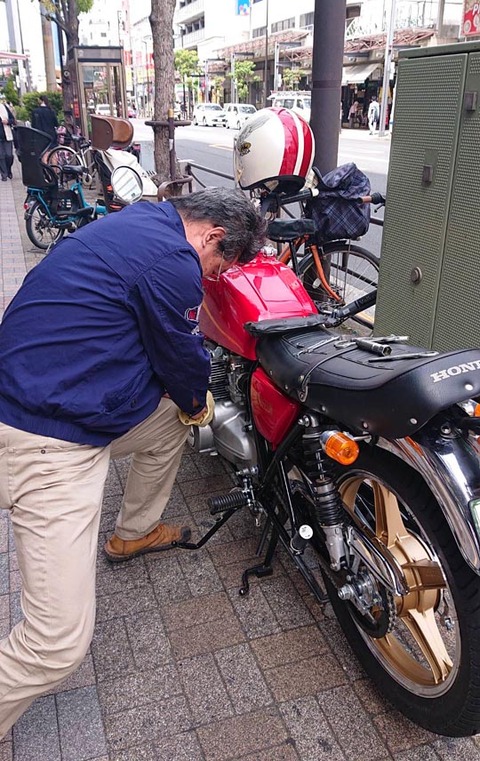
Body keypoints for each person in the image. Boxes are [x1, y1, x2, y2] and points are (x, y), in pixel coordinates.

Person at [0, 188, 266, 736]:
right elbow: (182, 358)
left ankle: (133, 532)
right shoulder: (174, 260)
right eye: (219, 266)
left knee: (170, 423)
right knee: (55, 645)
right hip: (47, 438)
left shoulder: (140, 220)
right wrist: (198, 403)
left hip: (34, 386)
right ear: (213, 236)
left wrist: (180, 407)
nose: (214, 276)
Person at [0, 94, 16, 181]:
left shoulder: (4, 107)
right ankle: (4, 174)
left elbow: (13, 120)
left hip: (7, 135)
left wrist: (8, 121)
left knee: (9, 155)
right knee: (1, 156)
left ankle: (8, 169)